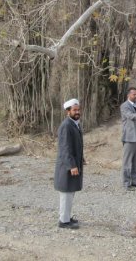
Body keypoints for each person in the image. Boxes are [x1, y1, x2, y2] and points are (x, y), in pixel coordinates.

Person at [54, 98, 85, 229]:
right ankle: (63, 221)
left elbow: (76, 146)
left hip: (72, 163)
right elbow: (65, 148)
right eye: (74, 110)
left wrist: (81, 159)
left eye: (78, 109)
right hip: (66, 166)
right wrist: (72, 165)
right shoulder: (66, 125)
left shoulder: (74, 123)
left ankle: (66, 217)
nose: (77, 112)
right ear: (68, 111)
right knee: (66, 193)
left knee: (70, 192)